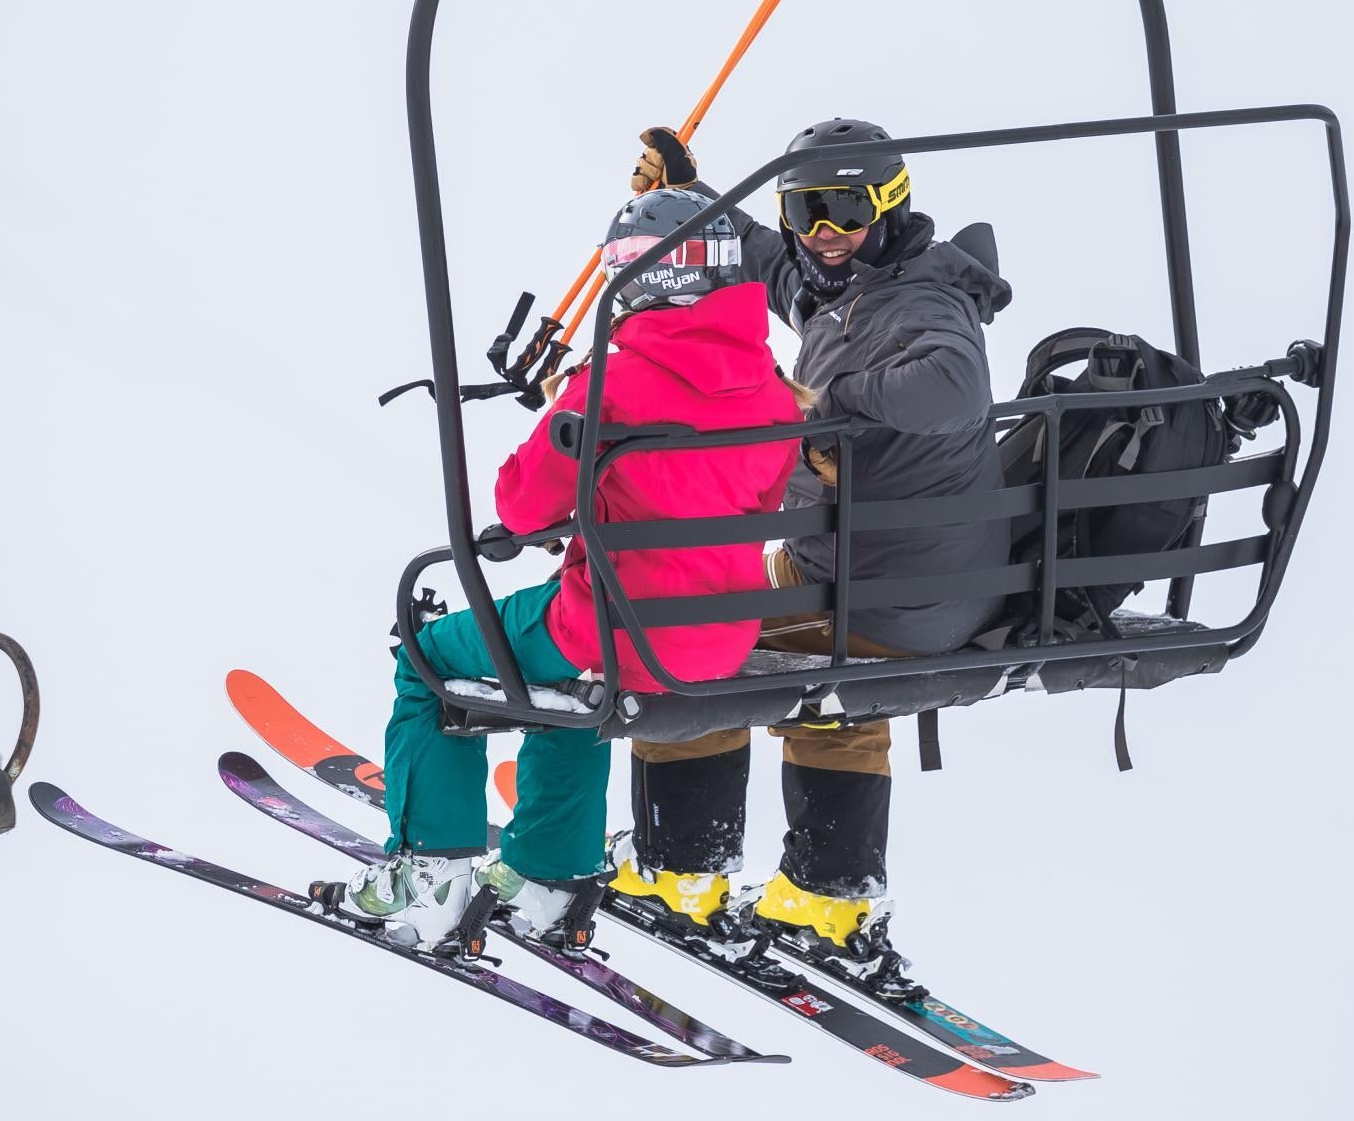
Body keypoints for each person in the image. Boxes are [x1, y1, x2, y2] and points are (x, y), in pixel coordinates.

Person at [317, 188, 802, 955]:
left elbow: (521, 503)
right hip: (720, 635)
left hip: (614, 631)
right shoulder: (771, 388)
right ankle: (548, 873)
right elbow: (756, 495)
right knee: (576, 677)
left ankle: (432, 875)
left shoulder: (617, 379)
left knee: (431, 654)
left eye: (624, 266)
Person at [614, 119, 1012, 984]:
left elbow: (955, 383)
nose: (822, 232)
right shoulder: (852, 284)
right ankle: (828, 892)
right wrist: (683, 198)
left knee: (686, 642)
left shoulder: (923, 304)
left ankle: (679, 873)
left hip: (882, 594)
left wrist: (824, 401)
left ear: (890, 205)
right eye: (805, 208)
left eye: (843, 209)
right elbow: (767, 260)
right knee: (819, 670)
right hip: (891, 581)